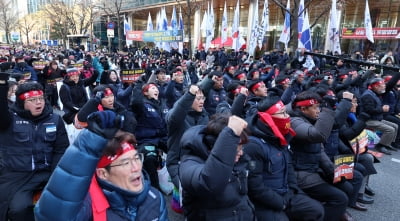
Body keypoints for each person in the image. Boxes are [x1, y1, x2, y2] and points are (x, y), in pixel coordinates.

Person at [34, 111, 168, 221]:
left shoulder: (155, 198)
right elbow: (51, 215)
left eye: (137, 158)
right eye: (126, 163)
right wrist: (89, 141)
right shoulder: (86, 207)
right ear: (103, 173)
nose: (136, 168)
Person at [244, 97, 324, 221]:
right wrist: (281, 203)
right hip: (265, 201)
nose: (287, 117)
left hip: (286, 193)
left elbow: (289, 167)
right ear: (267, 119)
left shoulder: (281, 136)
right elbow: (255, 187)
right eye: (282, 113)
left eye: (286, 112)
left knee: (316, 210)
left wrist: (292, 190)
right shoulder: (254, 145)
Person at [0, 80, 69, 221]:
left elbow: (61, 150)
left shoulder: (55, 119)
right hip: (18, 175)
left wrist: (55, 176)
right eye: (32, 100)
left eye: (40, 98)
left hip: (48, 172)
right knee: (18, 209)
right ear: (21, 103)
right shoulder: (9, 120)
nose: (39, 103)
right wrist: (2, 83)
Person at [179, 114, 256, 221]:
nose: (241, 152)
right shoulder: (189, 163)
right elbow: (209, 183)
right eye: (236, 149)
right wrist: (230, 134)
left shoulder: (236, 160)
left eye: (242, 148)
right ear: (218, 145)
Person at [289, 91, 350, 221]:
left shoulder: (311, 120)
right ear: (303, 109)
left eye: (320, 107)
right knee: (339, 198)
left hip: (312, 168)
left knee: (346, 186)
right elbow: (318, 135)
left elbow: (320, 152)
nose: (319, 111)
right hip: (300, 173)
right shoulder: (294, 121)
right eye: (316, 107)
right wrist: (327, 110)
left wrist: (333, 172)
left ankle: (339, 213)